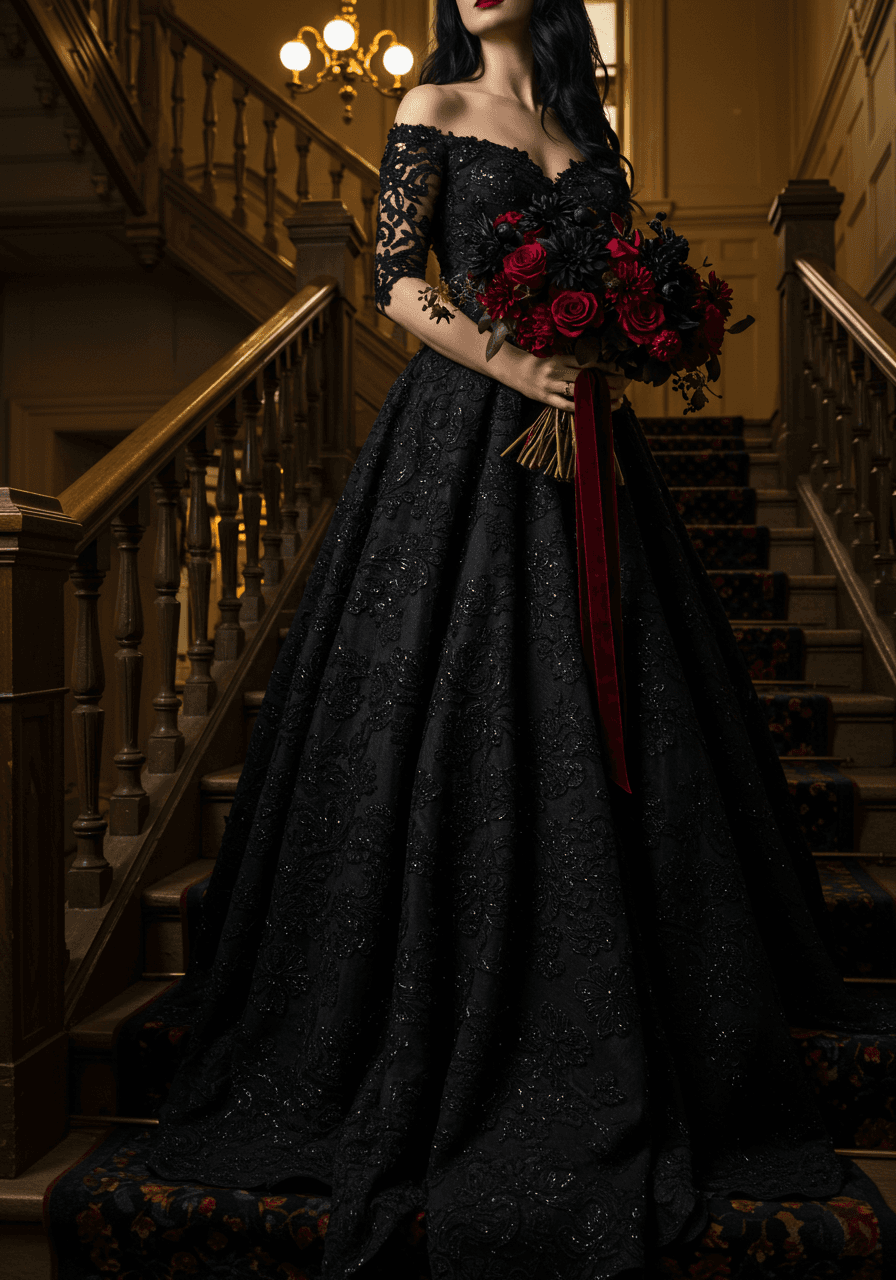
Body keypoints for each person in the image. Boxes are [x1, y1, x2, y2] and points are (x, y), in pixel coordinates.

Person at [147, 2, 886, 1276]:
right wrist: (513, 363)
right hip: (466, 422)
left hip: (586, 444)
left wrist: (607, 343)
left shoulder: (583, 134)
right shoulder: (428, 107)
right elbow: (392, 287)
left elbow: (607, 283)